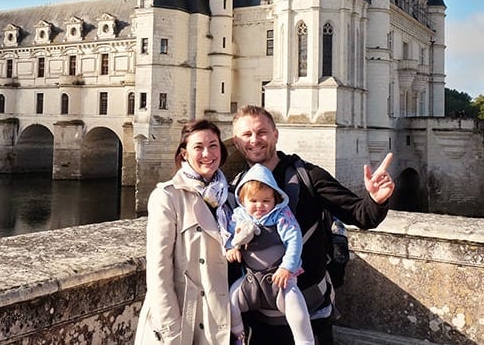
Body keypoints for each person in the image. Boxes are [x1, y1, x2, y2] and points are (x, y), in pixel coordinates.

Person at [231, 105, 395, 345]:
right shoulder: (235, 188)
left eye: (262, 132)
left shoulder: (308, 176)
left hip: (310, 316)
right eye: (246, 135)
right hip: (258, 321)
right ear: (236, 142)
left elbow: (362, 216)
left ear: (276, 134)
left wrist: (376, 200)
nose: (255, 140)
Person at [134, 119, 233, 344]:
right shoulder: (167, 197)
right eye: (198, 147)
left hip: (217, 319)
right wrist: (171, 330)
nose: (207, 153)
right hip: (184, 320)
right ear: (184, 154)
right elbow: (159, 270)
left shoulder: (229, 198)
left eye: (213, 145)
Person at [225, 163, 315, 345]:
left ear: (275, 200)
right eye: (254, 201)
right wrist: (231, 248)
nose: (260, 206)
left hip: (281, 280)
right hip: (251, 281)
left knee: (298, 314)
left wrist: (287, 267)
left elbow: (294, 240)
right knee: (229, 303)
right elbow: (229, 234)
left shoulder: (282, 216)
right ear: (243, 201)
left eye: (266, 201)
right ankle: (239, 336)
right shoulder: (239, 216)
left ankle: (306, 342)